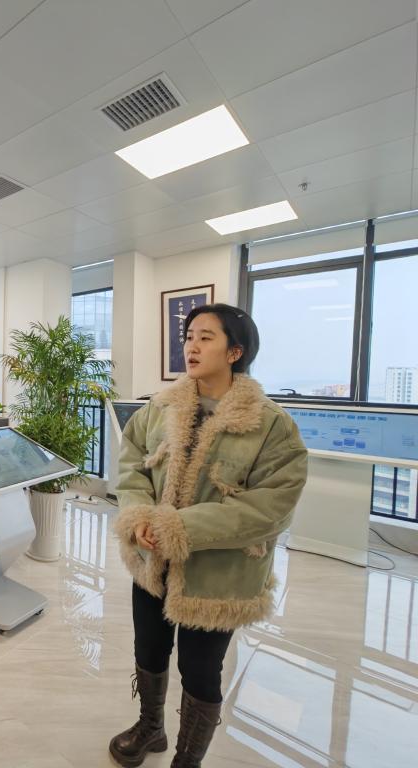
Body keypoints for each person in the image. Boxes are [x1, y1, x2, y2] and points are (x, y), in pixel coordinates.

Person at [110, 304, 308, 768]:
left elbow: (272, 504)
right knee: (149, 648)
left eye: (206, 338)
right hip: (152, 562)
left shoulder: (269, 423)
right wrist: (139, 516)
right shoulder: (160, 407)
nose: (192, 347)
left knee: (200, 668)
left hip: (220, 573)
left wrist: (180, 529)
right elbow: (132, 462)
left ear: (235, 352)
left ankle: (188, 759)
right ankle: (151, 727)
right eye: (189, 337)